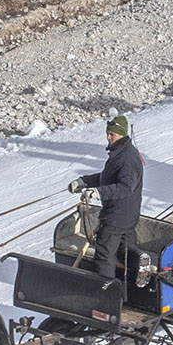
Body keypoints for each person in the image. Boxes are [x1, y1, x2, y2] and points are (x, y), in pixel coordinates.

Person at [65, 115, 144, 280]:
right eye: (108, 133)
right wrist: (84, 181)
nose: (108, 137)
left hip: (116, 217)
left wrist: (98, 193)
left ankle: (105, 297)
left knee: (104, 257)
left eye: (112, 134)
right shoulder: (120, 153)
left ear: (121, 135)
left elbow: (125, 187)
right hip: (126, 216)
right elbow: (108, 177)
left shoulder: (127, 159)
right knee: (125, 252)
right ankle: (138, 270)